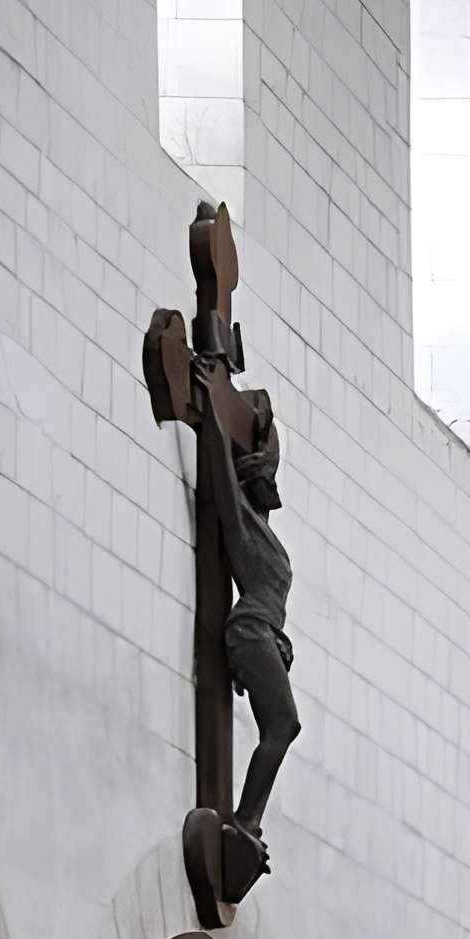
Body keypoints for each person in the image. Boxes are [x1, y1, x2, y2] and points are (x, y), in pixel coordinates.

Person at [192, 359, 300, 839]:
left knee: (284, 726)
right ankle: (246, 818)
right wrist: (214, 405)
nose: (271, 493)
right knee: (284, 726)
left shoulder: (265, 533)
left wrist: (281, 641)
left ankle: (248, 819)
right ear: (250, 480)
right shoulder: (239, 523)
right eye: (266, 480)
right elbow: (218, 462)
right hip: (248, 630)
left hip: (263, 635)